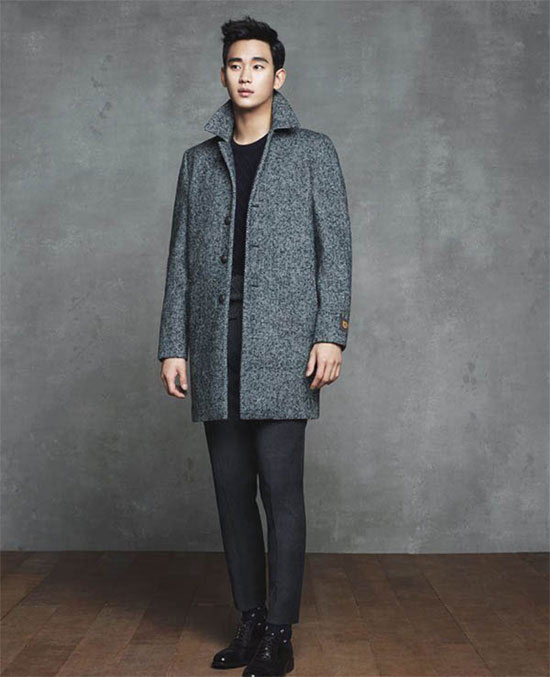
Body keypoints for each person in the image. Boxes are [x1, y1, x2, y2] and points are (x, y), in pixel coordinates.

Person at [158, 15, 352, 677]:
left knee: (281, 490)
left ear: (279, 76)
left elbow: (335, 252)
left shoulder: (313, 152)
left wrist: (330, 333)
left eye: (259, 65)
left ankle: (279, 630)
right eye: (236, 64)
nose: (246, 75)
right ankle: (249, 619)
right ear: (223, 75)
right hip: (216, 342)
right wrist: (174, 343)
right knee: (231, 490)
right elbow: (181, 260)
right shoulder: (198, 161)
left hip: (286, 344)